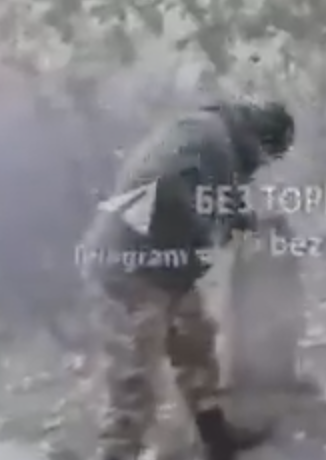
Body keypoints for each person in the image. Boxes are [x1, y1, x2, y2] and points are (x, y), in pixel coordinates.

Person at [78, 102, 295, 460]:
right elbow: (172, 185)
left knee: (196, 343)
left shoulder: (209, 135)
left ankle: (216, 438)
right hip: (130, 268)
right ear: (260, 141)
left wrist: (239, 219)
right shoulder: (215, 142)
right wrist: (215, 228)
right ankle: (116, 453)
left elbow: (207, 191)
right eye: (268, 157)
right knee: (134, 379)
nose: (261, 167)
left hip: (163, 266)